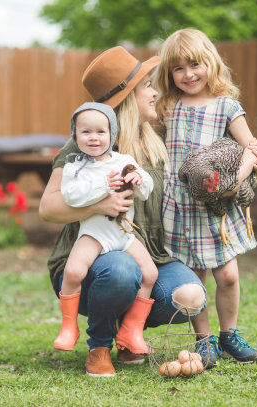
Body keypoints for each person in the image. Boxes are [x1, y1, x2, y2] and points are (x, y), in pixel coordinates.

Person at [40, 46, 208, 378]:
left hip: (148, 252)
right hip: (93, 257)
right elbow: (48, 208)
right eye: (147, 85)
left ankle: (129, 335)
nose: (155, 92)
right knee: (119, 270)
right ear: (129, 96)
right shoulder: (88, 143)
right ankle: (98, 347)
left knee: (190, 296)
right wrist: (97, 205)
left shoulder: (157, 139)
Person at [154, 28, 257, 367]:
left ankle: (229, 335)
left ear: (210, 63)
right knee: (195, 280)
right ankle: (204, 340)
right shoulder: (168, 106)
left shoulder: (227, 106)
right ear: (169, 74)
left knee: (228, 275)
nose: (188, 74)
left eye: (195, 64)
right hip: (178, 208)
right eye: (178, 68)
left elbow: (254, 150)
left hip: (215, 209)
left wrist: (238, 174)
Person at [53, 101, 158, 355]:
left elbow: (145, 190)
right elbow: (71, 196)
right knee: (74, 271)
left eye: (101, 132)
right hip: (95, 234)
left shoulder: (124, 160)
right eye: (85, 132)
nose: (93, 138)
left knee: (150, 273)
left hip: (123, 234)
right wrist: (104, 185)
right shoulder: (75, 166)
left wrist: (137, 179)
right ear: (75, 135)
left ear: (111, 134)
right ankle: (69, 327)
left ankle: (131, 329)